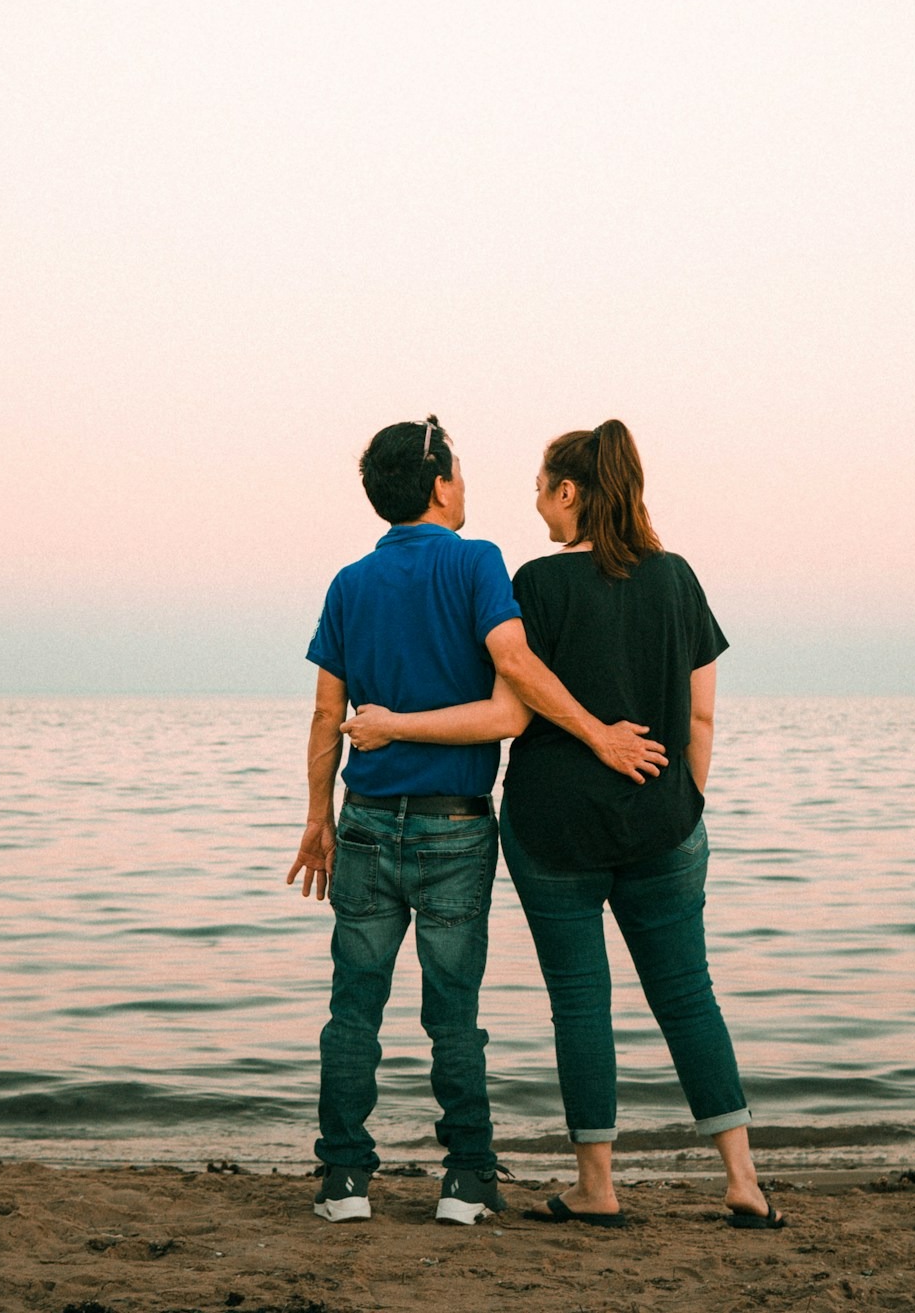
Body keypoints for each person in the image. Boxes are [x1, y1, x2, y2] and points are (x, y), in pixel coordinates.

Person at [341, 420, 783, 1231]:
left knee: (581, 1003)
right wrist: (682, 802)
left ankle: (597, 1186)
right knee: (689, 995)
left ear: (570, 490)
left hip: (552, 830)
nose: (536, 503)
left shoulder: (537, 584)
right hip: (663, 823)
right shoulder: (677, 577)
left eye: (542, 488)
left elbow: (511, 708)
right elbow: (702, 717)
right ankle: (744, 1181)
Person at [289, 415, 667, 1225]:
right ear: (437, 485)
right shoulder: (477, 562)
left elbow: (326, 716)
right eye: (457, 474)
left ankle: (344, 1180)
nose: (465, 487)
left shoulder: (348, 582)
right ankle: (465, 1179)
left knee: (353, 1008)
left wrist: (317, 818)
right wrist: (598, 733)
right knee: (453, 1014)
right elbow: (514, 675)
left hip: (363, 821)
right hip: (456, 827)